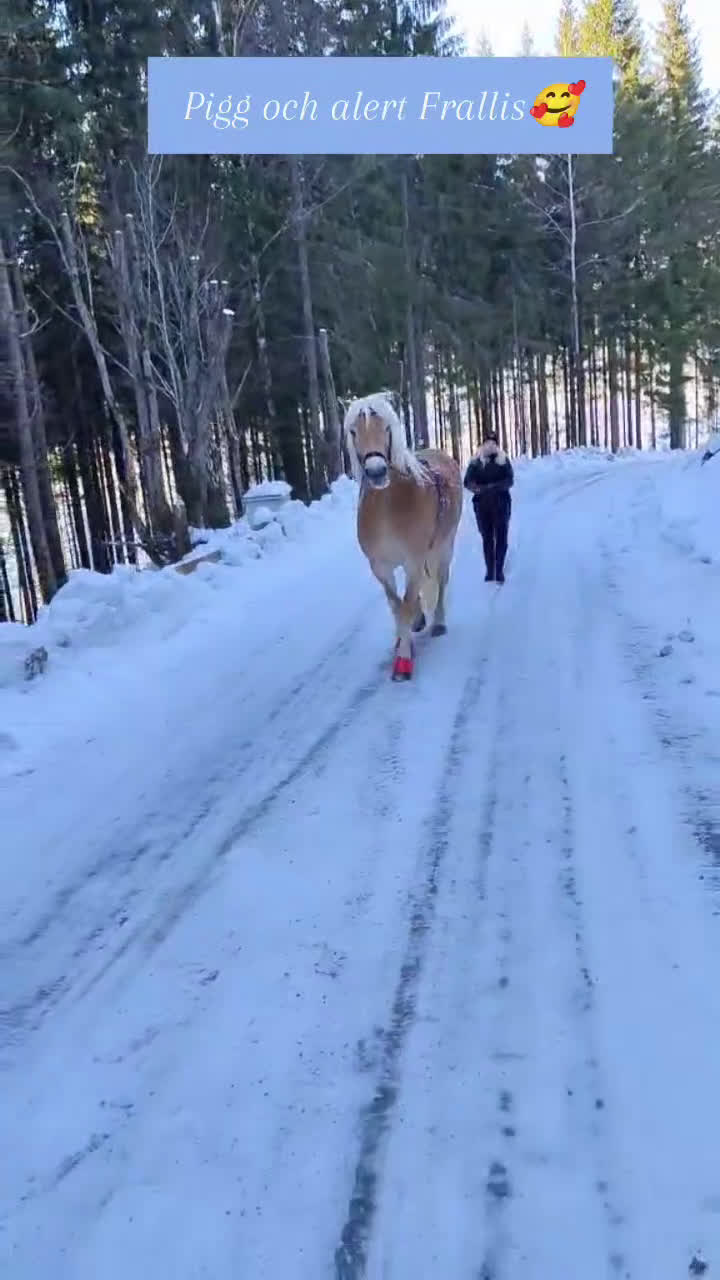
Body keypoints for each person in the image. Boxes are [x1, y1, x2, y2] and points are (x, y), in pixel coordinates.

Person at [463, 434, 514, 583]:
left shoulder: (503, 460)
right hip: (482, 506)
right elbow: (467, 482)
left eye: (493, 442)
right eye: (487, 442)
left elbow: (510, 479)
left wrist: (495, 487)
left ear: (497, 445)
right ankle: (490, 570)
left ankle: (499, 570)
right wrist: (479, 489)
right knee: (487, 539)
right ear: (482, 444)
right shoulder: (475, 462)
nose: (490, 445)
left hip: (501, 504)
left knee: (501, 538)